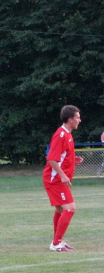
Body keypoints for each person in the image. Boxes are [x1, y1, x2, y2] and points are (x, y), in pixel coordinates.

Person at [43, 105, 83, 252]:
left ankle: (57, 241)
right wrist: (63, 175)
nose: (79, 120)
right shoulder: (61, 135)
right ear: (69, 119)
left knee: (61, 210)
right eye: (77, 118)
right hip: (55, 180)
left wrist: (73, 159)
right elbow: (51, 159)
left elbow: (61, 157)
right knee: (70, 208)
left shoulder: (67, 134)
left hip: (57, 179)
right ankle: (56, 243)